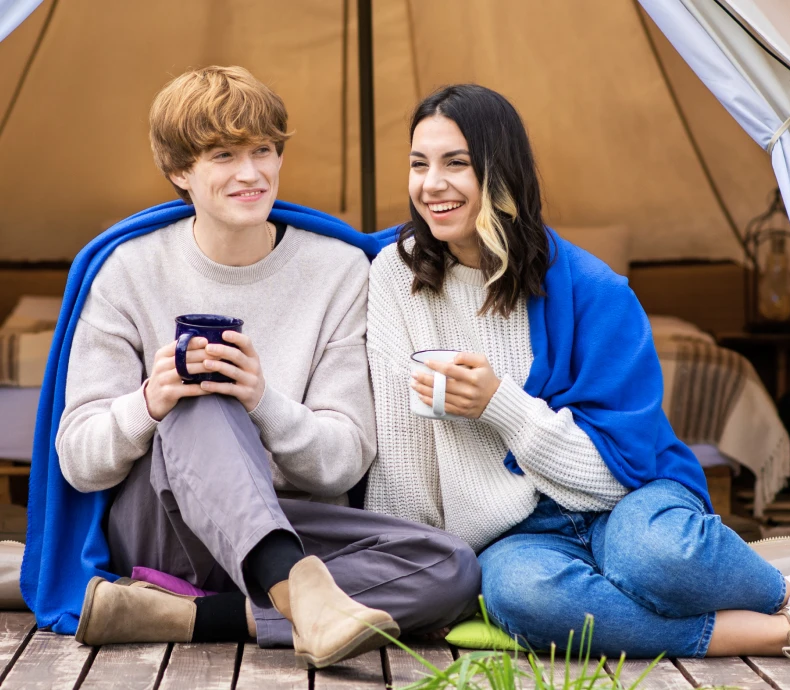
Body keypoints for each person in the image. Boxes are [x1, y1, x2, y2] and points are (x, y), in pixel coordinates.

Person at [363, 83, 790, 661]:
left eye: (456, 163)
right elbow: (402, 448)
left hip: (626, 500)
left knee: (658, 557)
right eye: (419, 164)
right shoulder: (395, 277)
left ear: (500, 170)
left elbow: (621, 473)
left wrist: (502, 406)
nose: (431, 184)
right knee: (523, 596)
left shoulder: (593, 292)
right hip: (514, 534)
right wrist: (418, 573)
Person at [54, 66, 479, 668]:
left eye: (262, 151)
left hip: (294, 519)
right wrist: (151, 401)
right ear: (179, 171)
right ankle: (302, 599)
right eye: (223, 156)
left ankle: (193, 614)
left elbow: (343, 460)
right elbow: (78, 460)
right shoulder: (127, 270)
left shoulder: (337, 271)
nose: (251, 173)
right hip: (168, 527)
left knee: (451, 567)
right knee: (202, 390)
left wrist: (264, 401)